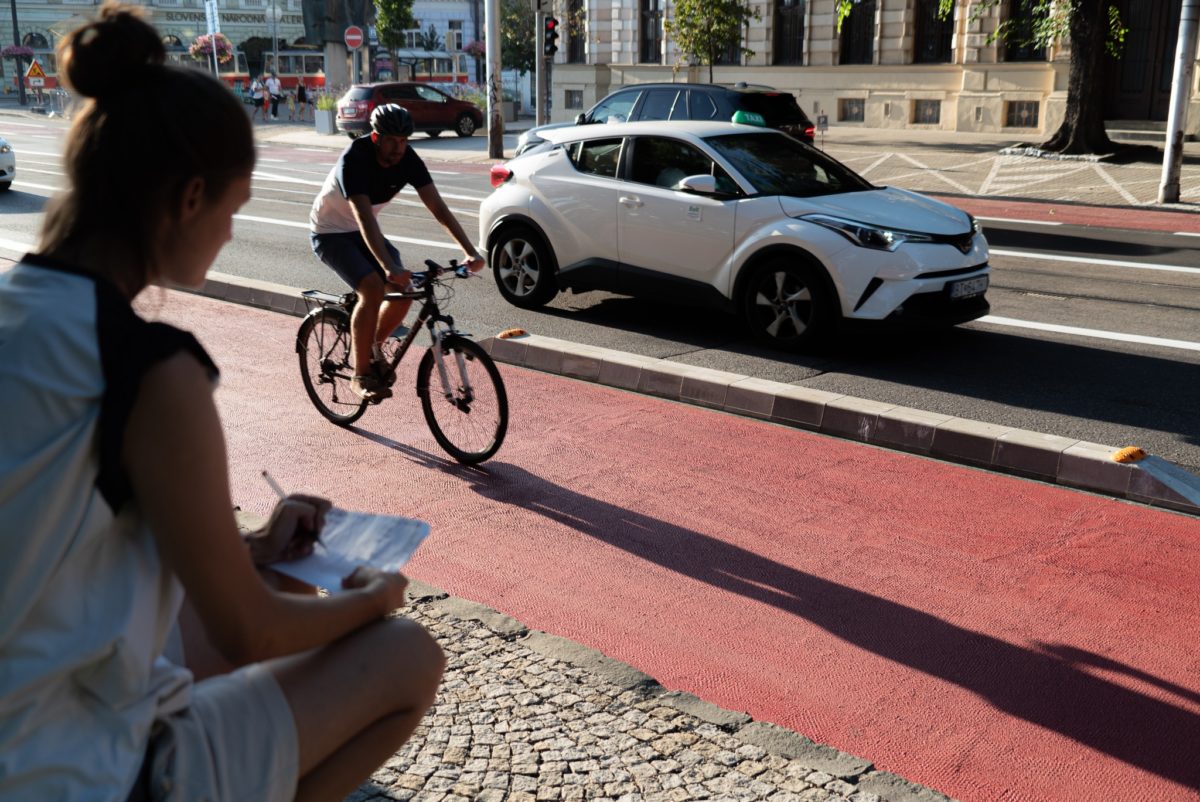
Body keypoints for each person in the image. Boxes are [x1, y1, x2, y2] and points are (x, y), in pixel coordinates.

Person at [0, 5, 444, 801]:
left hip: (29, 687)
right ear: (189, 198)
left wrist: (253, 548)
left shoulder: (16, 311)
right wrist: (373, 599)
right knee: (408, 656)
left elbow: (66, 539)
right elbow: (251, 634)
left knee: (278, 580)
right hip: (69, 768)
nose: (232, 234)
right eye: (233, 211)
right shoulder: (150, 371)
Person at [309, 104, 485, 400]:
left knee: (404, 290)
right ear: (376, 137)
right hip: (330, 233)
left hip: (365, 230)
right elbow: (364, 218)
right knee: (373, 288)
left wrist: (470, 251)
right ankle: (360, 374)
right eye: (391, 140)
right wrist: (388, 266)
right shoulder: (355, 159)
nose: (398, 148)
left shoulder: (408, 159)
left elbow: (438, 207)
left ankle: (371, 348)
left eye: (404, 141)